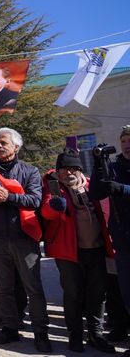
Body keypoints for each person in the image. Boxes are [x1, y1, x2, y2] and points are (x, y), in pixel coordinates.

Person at [0, 127, 51, 353]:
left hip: (24, 238)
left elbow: (35, 200)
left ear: (16, 146)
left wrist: (9, 197)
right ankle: (10, 327)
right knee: (3, 288)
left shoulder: (30, 171)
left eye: (4, 143)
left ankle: (40, 332)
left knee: (33, 288)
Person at [41, 149, 115, 353]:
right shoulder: (54, 188)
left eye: (73, 168)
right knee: (73, 294)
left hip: (96, 249)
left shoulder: (91, 186)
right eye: (63, 169)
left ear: (80, 170)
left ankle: (96, 334)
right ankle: (75, 335)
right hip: (68, 252)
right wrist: (55, 207)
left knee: (97, 294)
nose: (68, 173)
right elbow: (46, 211)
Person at [90, 124, 130, 357]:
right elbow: (97, 193)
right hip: (124, 241)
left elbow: (117, 190)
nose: (126, 147)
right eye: (124, 143)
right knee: (127, 294)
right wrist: (99, 165)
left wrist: (123, 189)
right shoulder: (114, 168)